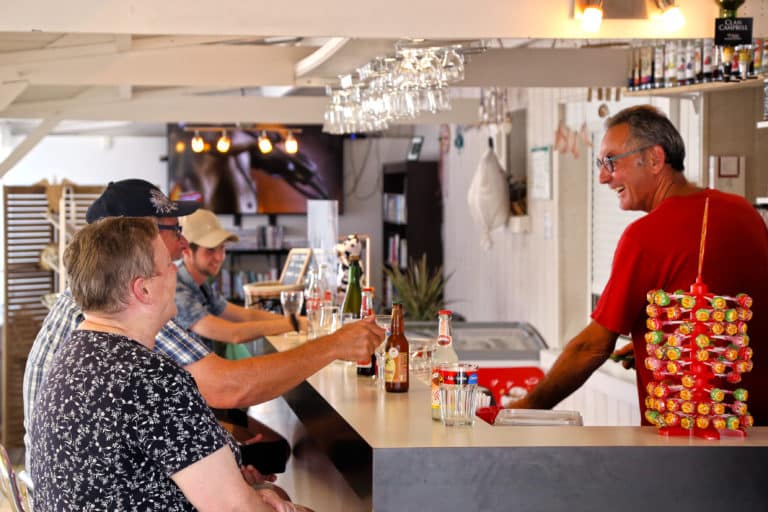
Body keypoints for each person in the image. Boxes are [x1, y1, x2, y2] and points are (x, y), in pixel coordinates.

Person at [23, 179, 384, 476]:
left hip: (82, 479)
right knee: (271, 462)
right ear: (133, 237)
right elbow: (229, 389)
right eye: (171, 231)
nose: (182, 244)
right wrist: (333, 345)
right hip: (100, 485)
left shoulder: (91, 298)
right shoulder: (129, 306)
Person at [511, 105, 768, 425]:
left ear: (655, 159)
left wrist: (525, 406)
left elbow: (592, 347)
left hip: (692, 438)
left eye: (610, 162)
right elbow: (736, 304)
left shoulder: (644, 238)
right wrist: (666, 338)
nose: (603, 177)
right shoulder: (744, 213)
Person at [30, 217, 292, 511]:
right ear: (142, 290)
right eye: (168, 264)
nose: (176, 271)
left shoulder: (71, 353)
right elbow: (234, 508)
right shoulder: (151, 378)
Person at [173, 208, 301, 354]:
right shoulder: (176, 289)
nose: (219, 257)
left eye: (222, 248)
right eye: (210, 250)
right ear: (187, 251)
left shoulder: (202, 285)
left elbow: (246, 316)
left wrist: (298, 321)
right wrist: (293, 323)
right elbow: (233, 334)